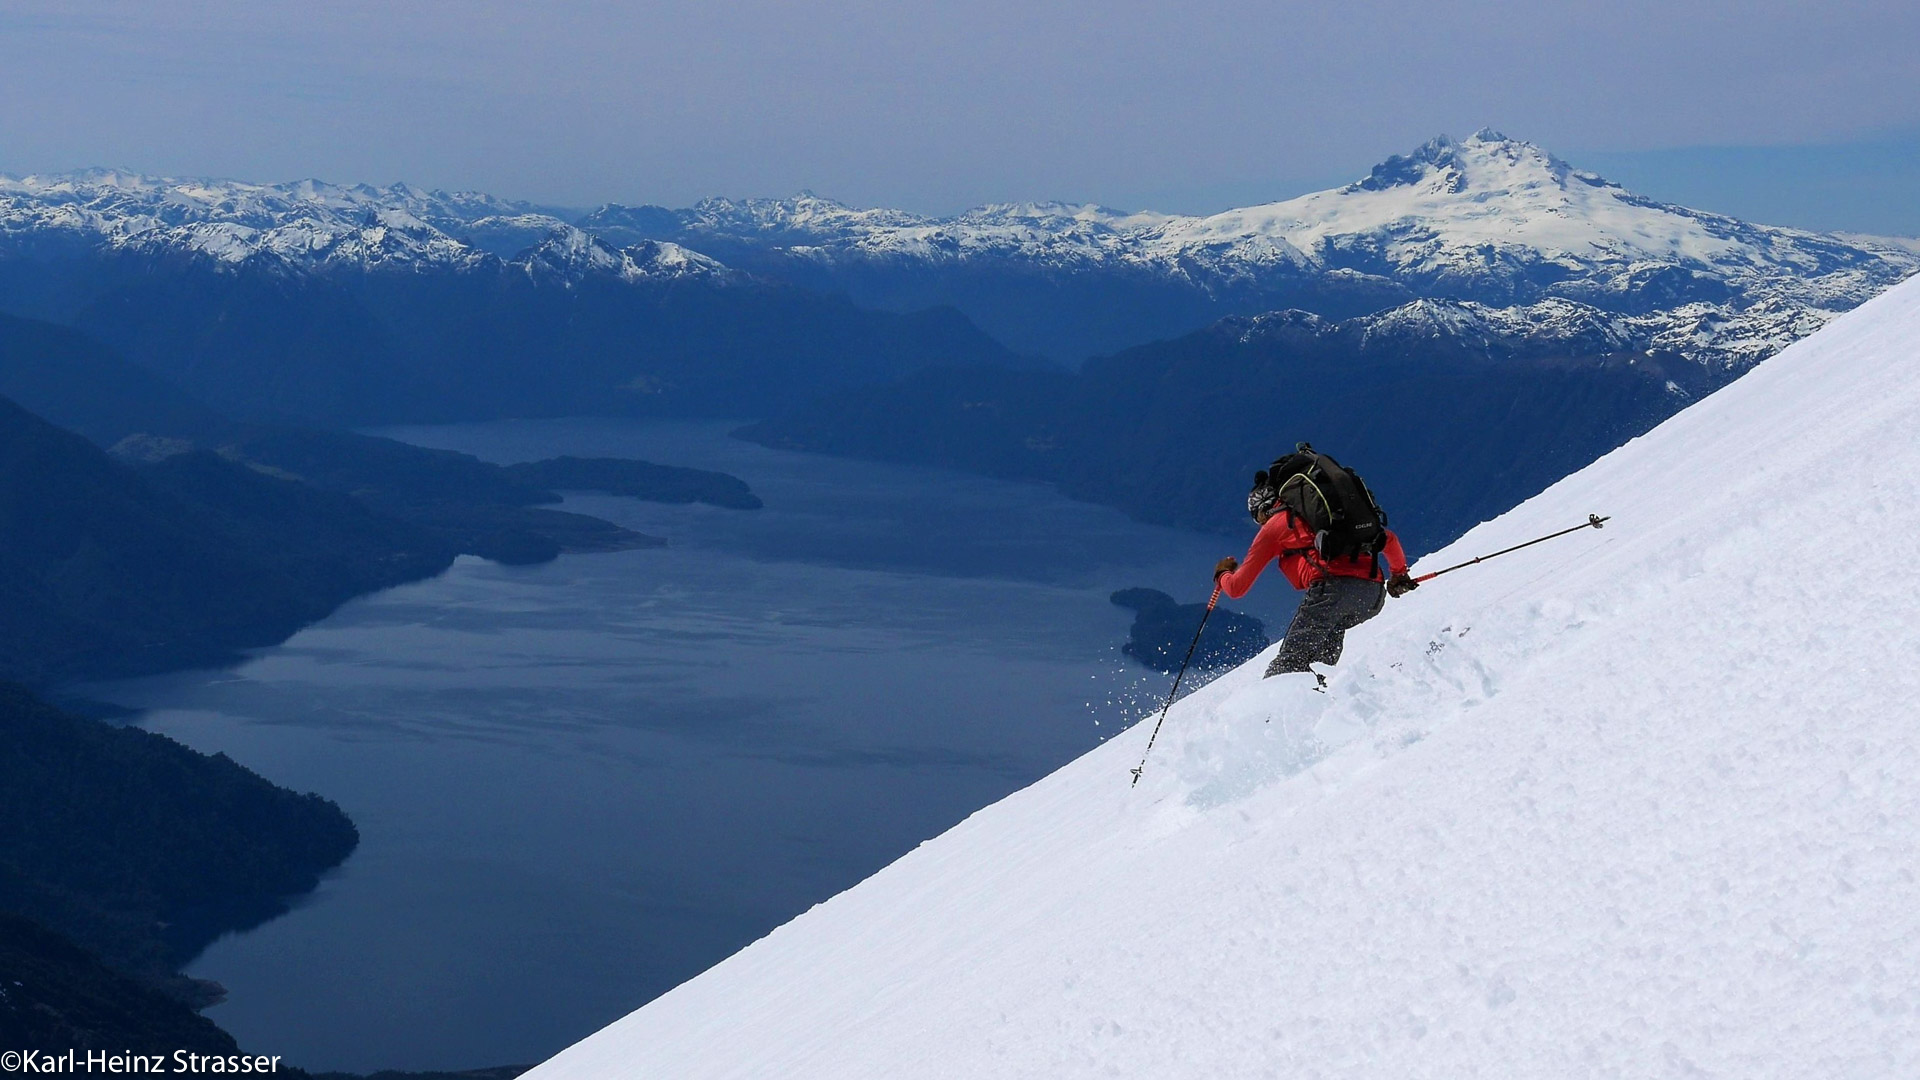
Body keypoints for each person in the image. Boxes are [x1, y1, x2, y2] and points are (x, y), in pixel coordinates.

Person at [1214, 471, 1417, 679]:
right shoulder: (1327, 516)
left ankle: (1271, 709)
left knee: (1288, 665)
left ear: (1264, 509)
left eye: (1257, 516)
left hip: (1331, 592)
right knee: (1322, 657)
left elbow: (1237, 588)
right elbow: (1389, 540)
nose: (1260, 523)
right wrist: (1399, 575)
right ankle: (1320, 699)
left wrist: (1222, 573)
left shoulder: (1275, 527)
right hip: (1371, 596)